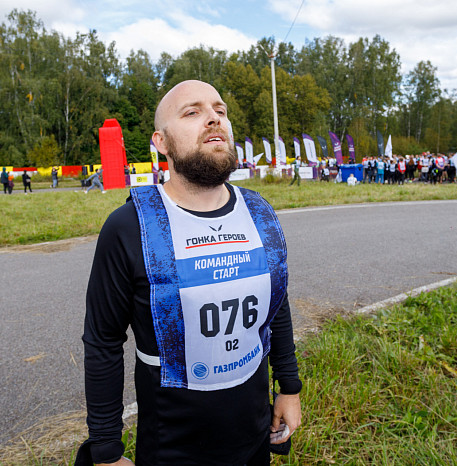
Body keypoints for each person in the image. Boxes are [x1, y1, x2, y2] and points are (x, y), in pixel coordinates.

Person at [77, 80, 301, 466]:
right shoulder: (131, 226)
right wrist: (105, 449)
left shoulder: (259, 212)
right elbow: (102, 341)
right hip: (173, 445)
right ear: (161, 142)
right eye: (192, 112)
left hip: (253, 431)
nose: (214, 118)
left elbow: (275, 304)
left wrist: (290, 388)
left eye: (220, 110)